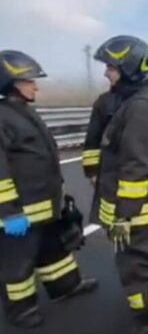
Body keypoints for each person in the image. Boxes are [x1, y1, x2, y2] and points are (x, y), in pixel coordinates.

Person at [0, 50, 98, 329]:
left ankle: (65, 286)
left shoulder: (23, 112)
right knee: (17, 265)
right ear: (10, 82)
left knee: (53, 251)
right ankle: (19, 311)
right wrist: (8, 213)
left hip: (44, 206)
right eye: (29, 81)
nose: (36, 86)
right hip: (20, 213)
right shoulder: (2, 117)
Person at [93, 35, 148, 334]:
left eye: (111, 68)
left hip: (138, 215)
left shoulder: (139, 109)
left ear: (129, 69)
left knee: (138, 272)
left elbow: (136, 168)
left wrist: (123, 216)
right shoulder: (147, 104)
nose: (106, 73)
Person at [81, 66, 148, 265]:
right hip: (119, 179)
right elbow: (92, 141)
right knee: (129, 237)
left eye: (111, 69)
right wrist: (93, 172)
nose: (105, 73)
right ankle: (138, 265)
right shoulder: (105, 103)